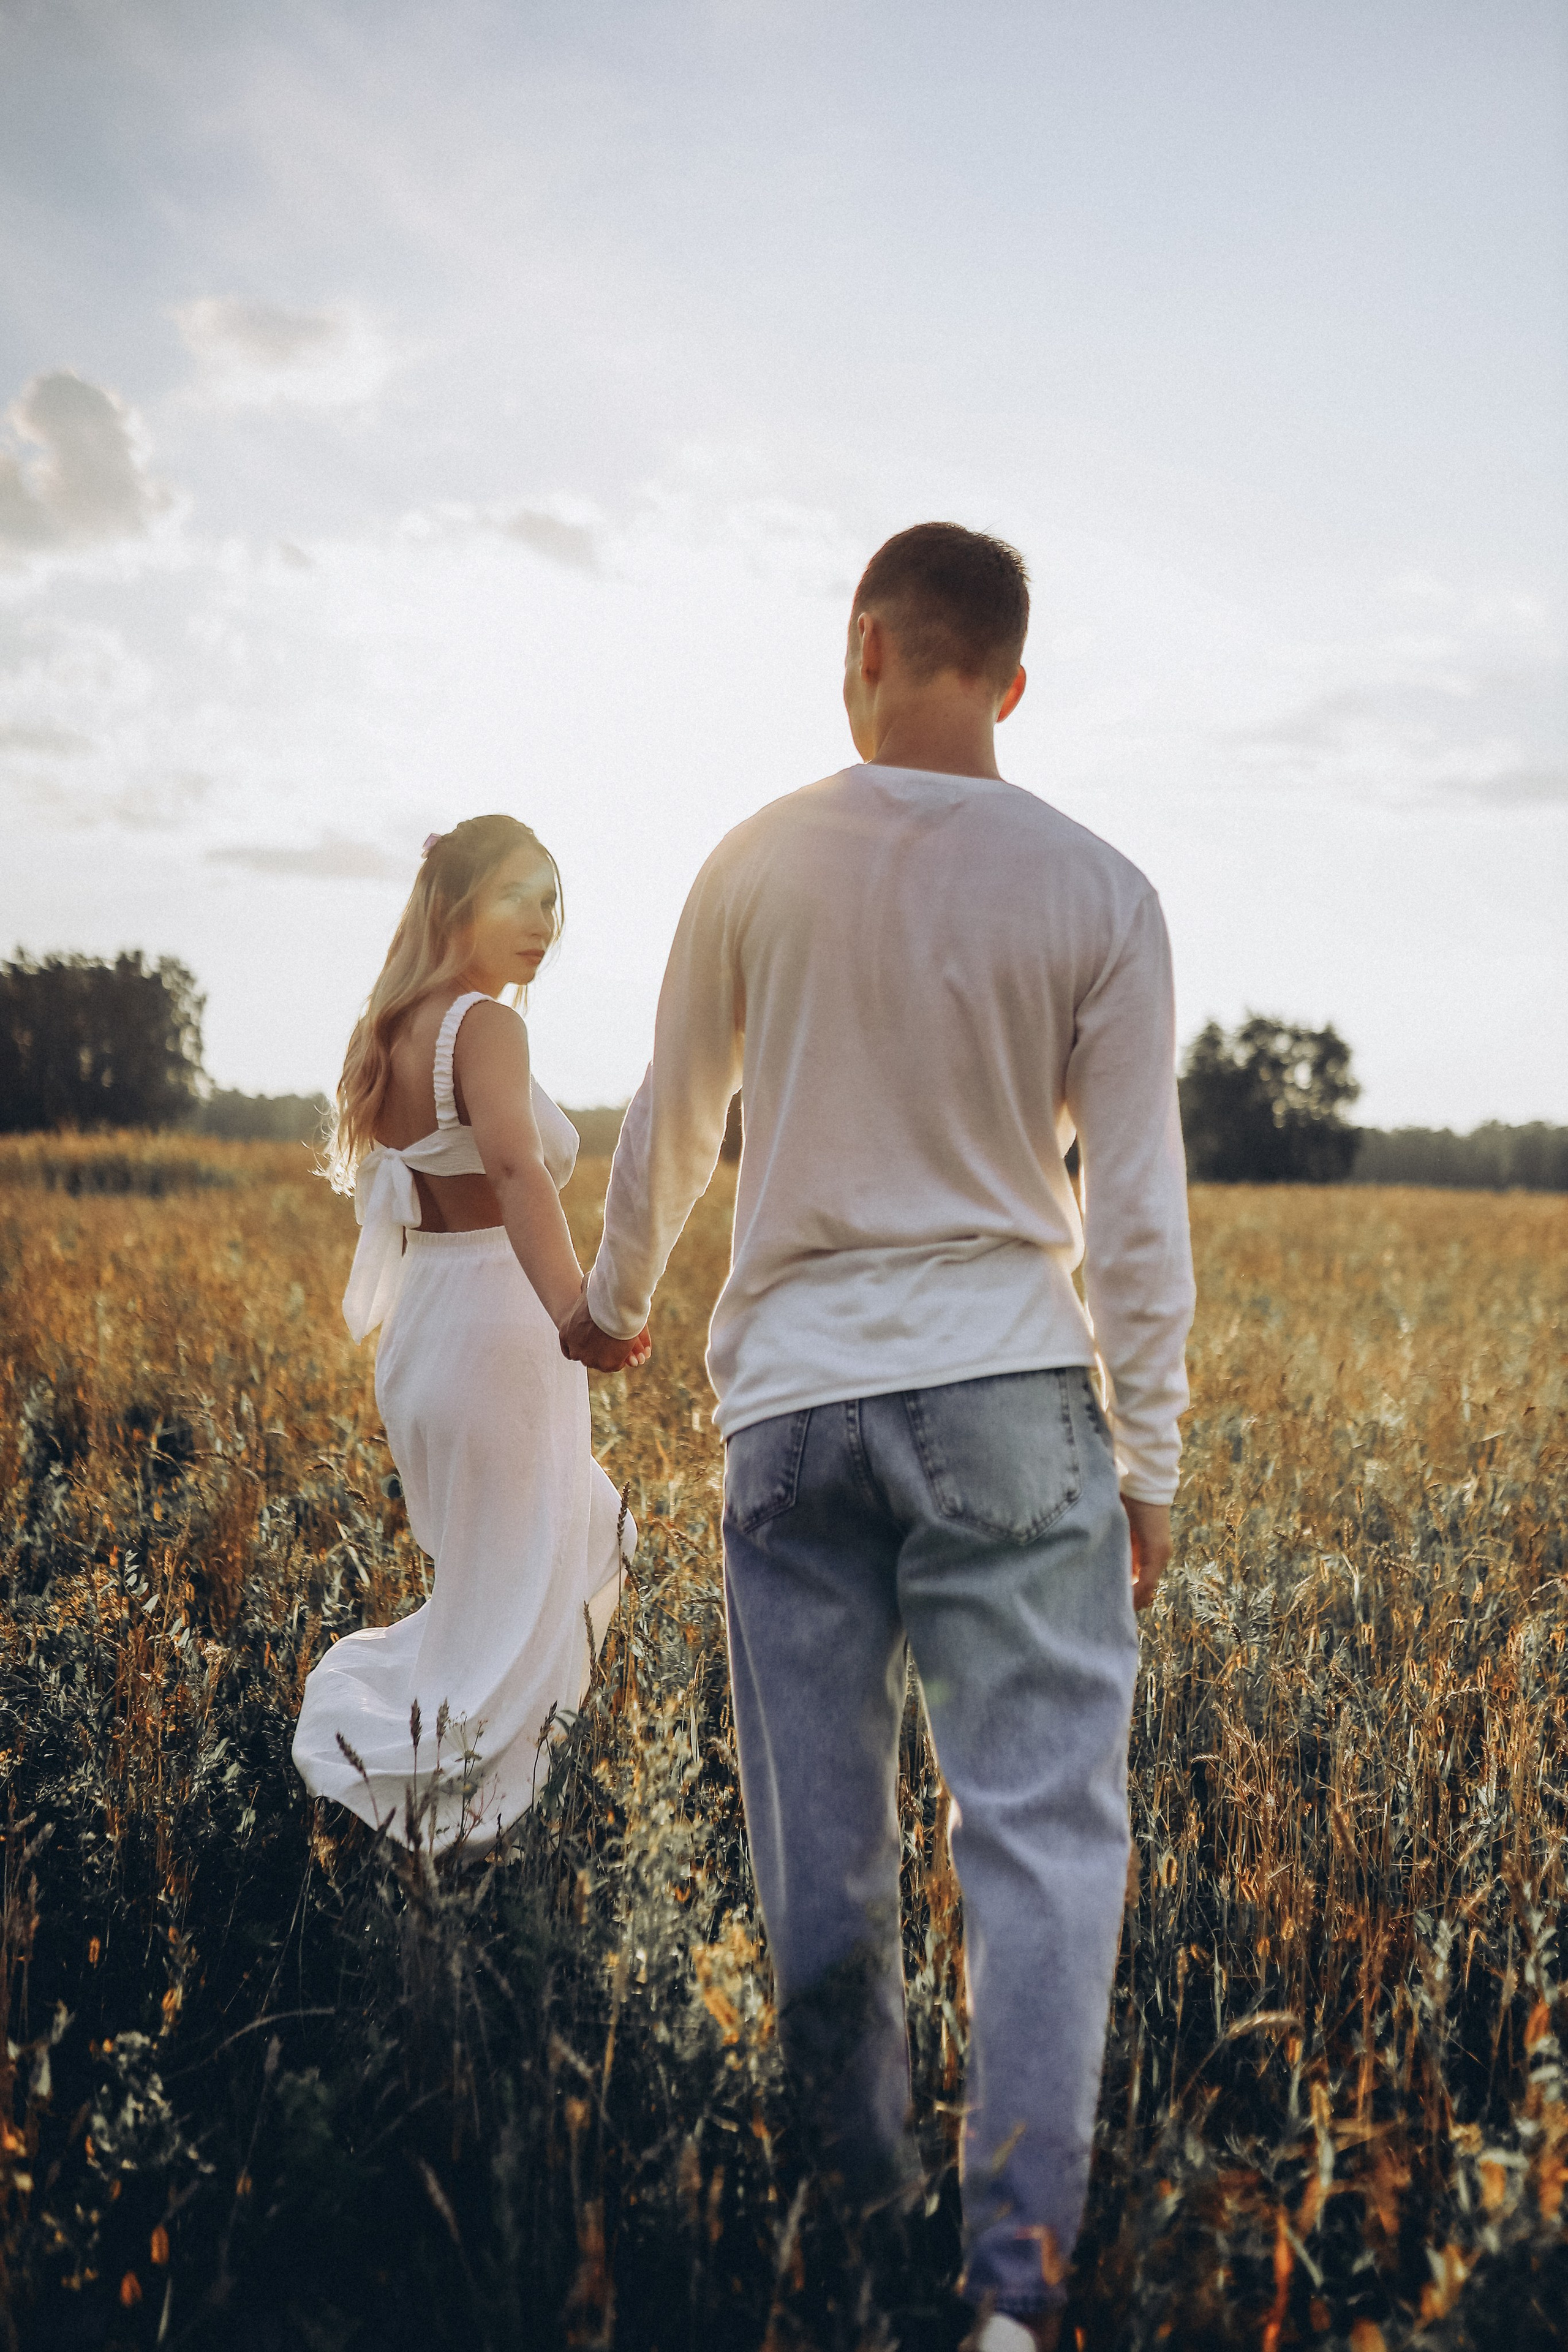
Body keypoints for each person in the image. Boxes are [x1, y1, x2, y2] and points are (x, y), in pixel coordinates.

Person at [561, 524, 1195, 2350]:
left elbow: (666, 1128)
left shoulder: (754, 860)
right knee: (1046, 1840)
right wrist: (1144, 1467)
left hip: (793, 1414)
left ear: (864, 647)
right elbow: (1136, 1223)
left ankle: (850, 2238)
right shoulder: (1101, 890)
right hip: (1011, 1395)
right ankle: (1017, 2295)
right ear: (1009, 681)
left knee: (817, 1850)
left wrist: (612, 1304)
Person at [293, 814, 645, 1852]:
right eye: (521, 898)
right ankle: (467, 1820)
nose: (544, 922)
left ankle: (467, 1803)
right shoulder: (486, 1028)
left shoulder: (393, 1029)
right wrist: (577, 1310)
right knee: (526, 1582)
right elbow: (514, 1171)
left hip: (429, 1332)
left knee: (537, 1557)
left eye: (553, 901)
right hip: (501, 1323)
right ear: (459, 908)